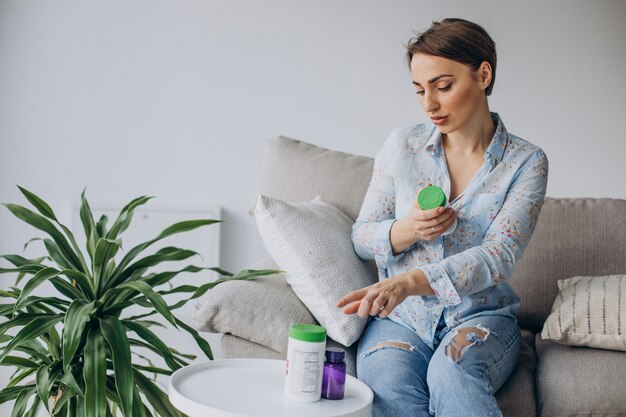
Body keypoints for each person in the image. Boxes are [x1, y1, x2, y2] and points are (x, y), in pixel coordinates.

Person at [335, 18, 549, 417]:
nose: (429, 104)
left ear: (483, 74)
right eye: (419, 89)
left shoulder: (526, 162)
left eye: (443, 86)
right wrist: (407, 230)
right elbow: (361, 236)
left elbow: (499, 254)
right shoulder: (402, 145)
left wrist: (414, 281)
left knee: (452, 373)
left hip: (480, 316)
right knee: (386, 386)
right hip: (401, 321)